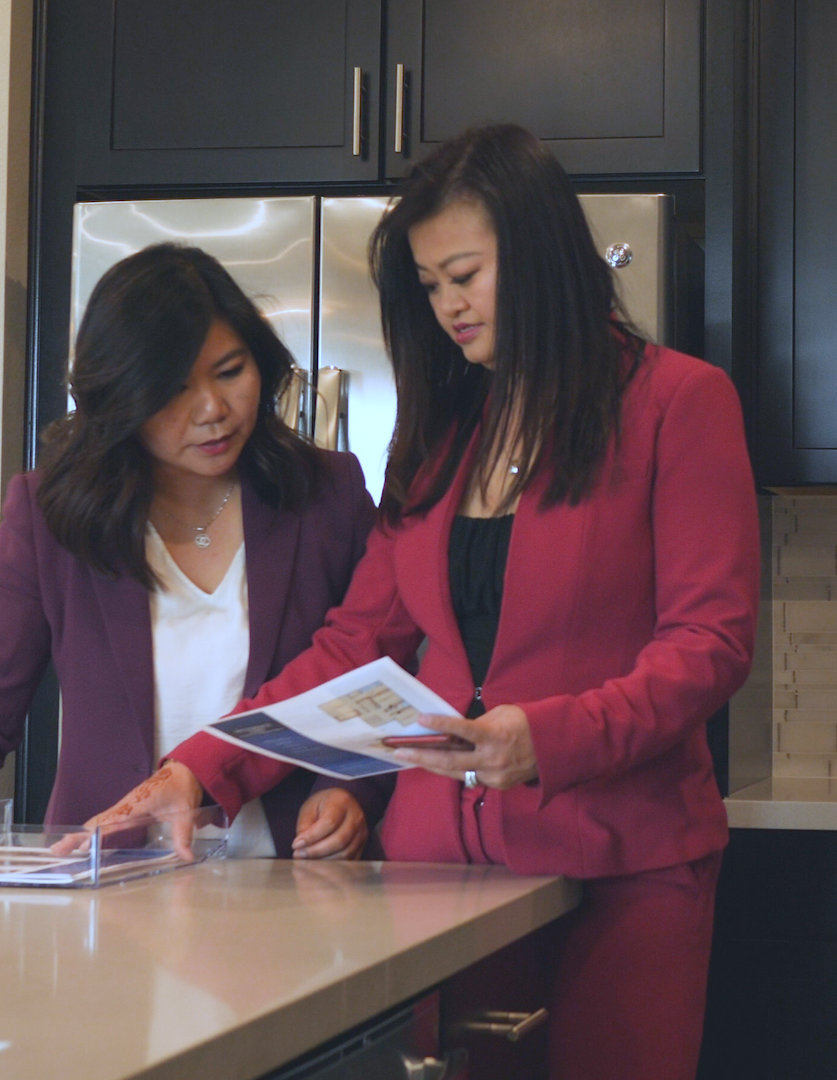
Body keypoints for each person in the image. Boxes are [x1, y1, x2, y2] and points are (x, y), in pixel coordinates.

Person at [85, 125, 759, 1079]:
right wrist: (200, 770)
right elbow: (354, 644)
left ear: (541, 254)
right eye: (431, 285)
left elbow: (709, 644)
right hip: (441, 877)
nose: (449, 307)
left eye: (466, 275)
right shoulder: (445, 437)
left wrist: (550, 739)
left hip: (625, 864)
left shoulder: (677, 404)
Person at [0, 244, 388, 874]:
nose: (212, 409)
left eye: (230, 371)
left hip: (292, 876)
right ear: (120, 397)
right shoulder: (51, 514)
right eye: (172, 389)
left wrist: (350, 789)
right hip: (109, 877)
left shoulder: (327, 494)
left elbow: (373, 673)